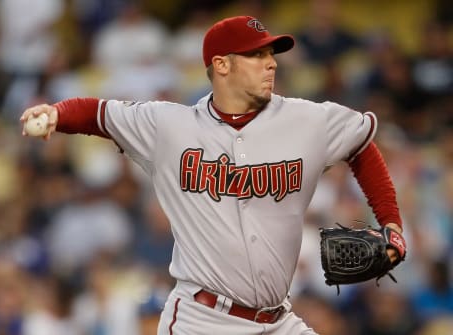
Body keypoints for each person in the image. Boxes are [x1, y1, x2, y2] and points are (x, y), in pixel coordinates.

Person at [20, 15, 405, 335]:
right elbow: (98, 113)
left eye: (271, 54)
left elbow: (362, 146)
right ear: (221, 64)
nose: (271, 63)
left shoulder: (307, 120)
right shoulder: (169, 125)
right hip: (201, 320)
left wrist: (391, 222)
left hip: (278, 320)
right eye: (257, 55)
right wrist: (57, 113)